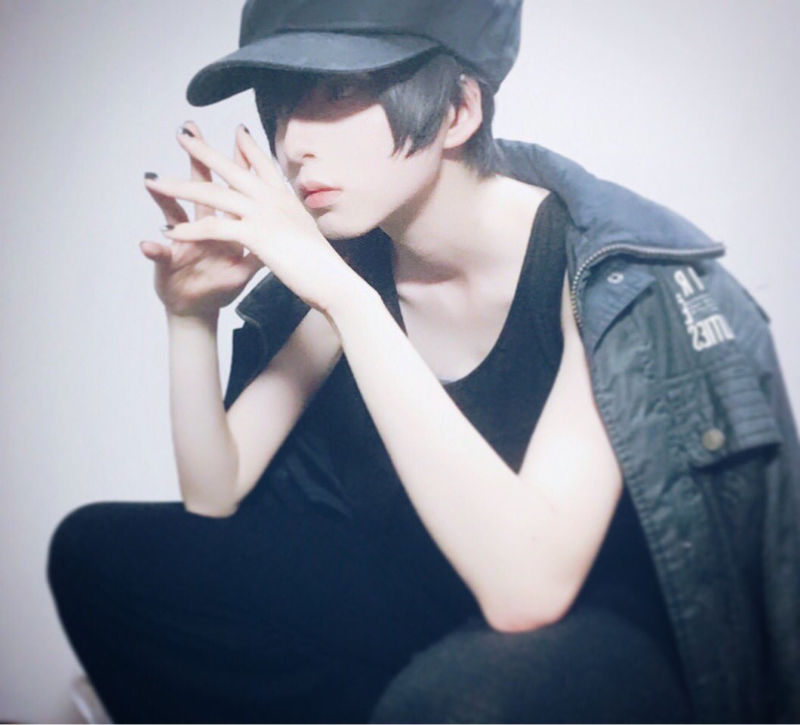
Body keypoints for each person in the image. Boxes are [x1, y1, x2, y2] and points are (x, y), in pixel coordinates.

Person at [46, 1, 800, 723]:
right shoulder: (357, 260)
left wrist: (345, 299)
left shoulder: (603, 276)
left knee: (454, 706)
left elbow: (529, 590)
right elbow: (215, 492)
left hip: (601, 634)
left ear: (457, 111)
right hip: (428, 594)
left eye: (338, 92)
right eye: (281, 103)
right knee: (95, 556)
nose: (293, 142)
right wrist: (190, 316)